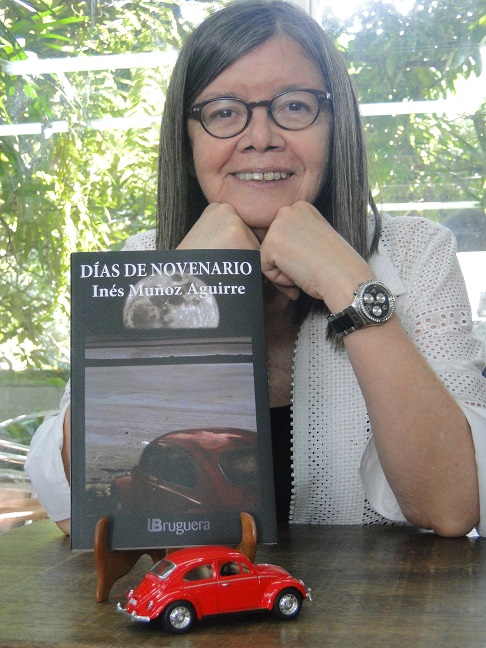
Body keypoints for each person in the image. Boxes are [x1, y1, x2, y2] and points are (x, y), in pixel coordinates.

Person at [26, 0, 486, 538]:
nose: (261, 137)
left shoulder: (418, 252)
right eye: (224, 112)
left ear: (335, 127)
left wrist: (349, 282)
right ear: (187, 139)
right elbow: (76, 511)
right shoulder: (144, 257)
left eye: (294, 106)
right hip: (206, 587)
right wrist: (180, 282)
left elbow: (452, 508)